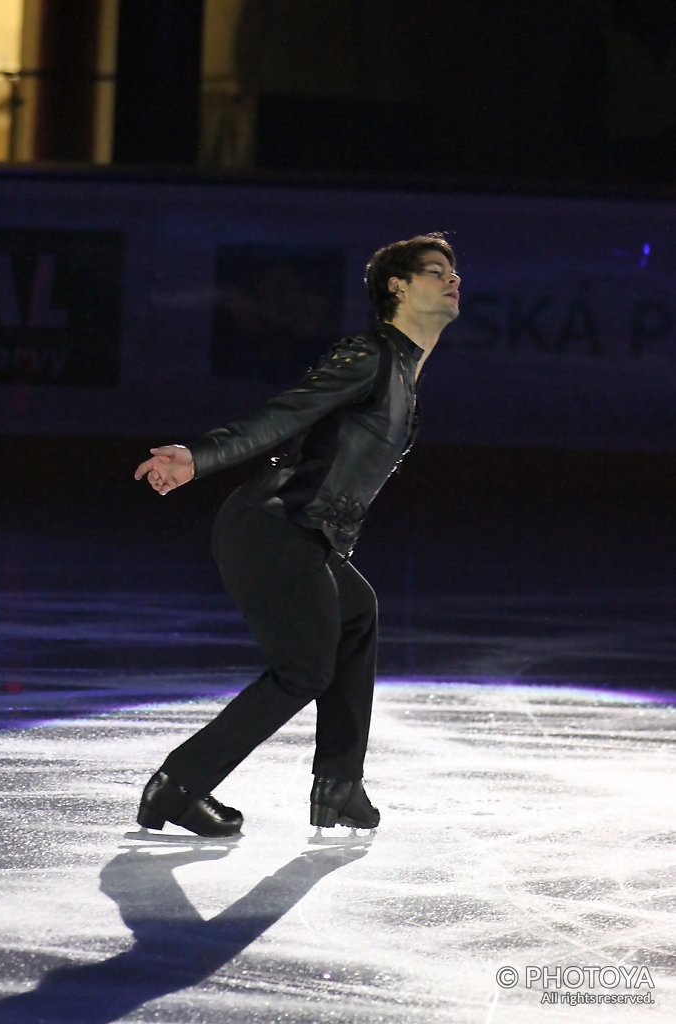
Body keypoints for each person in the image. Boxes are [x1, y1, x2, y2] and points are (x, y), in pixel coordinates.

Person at [133, 232, 461, 836]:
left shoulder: (403, 370)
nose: (452, 279)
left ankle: (339, 784)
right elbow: (285, 413)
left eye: (453, 271)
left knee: (357, 614)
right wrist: (198, 457)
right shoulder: (367, 355)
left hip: (305, 534)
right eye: (436, 270)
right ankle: (177, 785)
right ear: (397, 287)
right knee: (305, 669)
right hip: (272, 525)